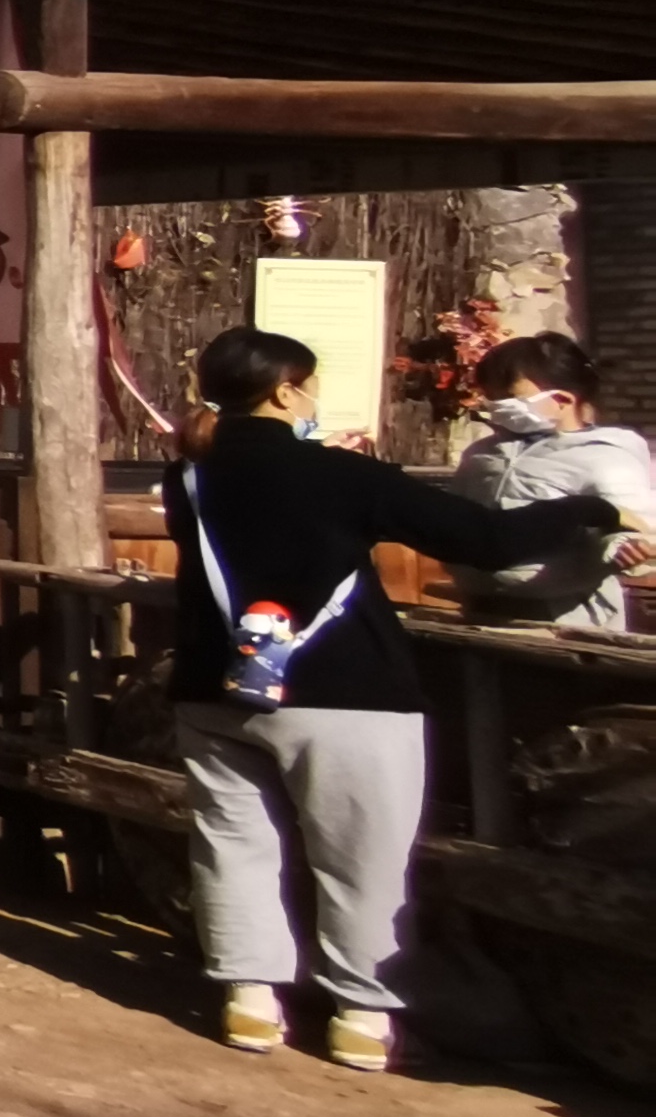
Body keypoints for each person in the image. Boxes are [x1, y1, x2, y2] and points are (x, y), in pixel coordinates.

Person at [164, 326, 624, 1071]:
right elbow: (486, 540)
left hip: (217, 688)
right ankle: (360, 1014)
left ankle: (249, 1001)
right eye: (308, 385)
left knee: (234, 849)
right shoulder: (346, 476)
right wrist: (591, 512)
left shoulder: (187, 479)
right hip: (347, 693)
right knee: (361, 860)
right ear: (287, 390)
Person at [446, 332, 656, 637]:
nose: (497, 406)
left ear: (563, 400)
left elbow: (636, 524)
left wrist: (625, 548)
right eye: (492, 395)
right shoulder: (482, 454)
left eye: (510, 397)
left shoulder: (605, 456)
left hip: (562, 617)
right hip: (480, 609)